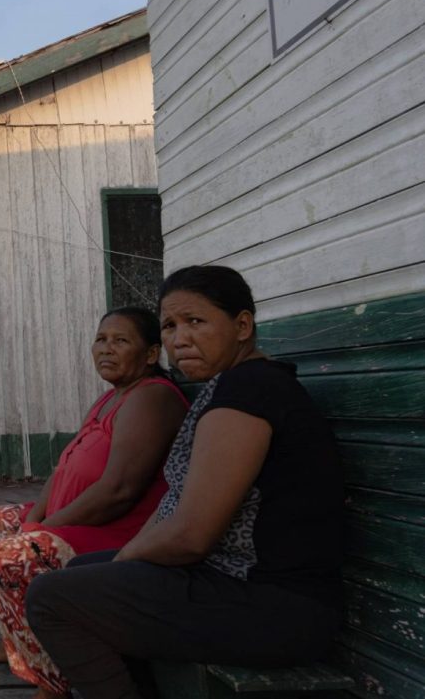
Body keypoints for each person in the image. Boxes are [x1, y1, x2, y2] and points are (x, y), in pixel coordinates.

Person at [26, 265, 345, 699]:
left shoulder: (248, 394)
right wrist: (123, 565)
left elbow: (192, 536)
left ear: (242, 325)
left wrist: (127, 559)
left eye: (196, 322)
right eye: (170, 326)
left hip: (274, 604)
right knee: (84, 574)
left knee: (52, 597)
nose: (179, 339)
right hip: (241, 588)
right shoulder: (232, 386)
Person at [0, 307, 188, 698]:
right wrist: (35, 519)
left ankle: (53, 681)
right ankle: (19, 644)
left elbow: (118, 492)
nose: (106, 349)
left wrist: (44, 528)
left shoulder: (152, 398)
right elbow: (63, 468)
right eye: (100, 339)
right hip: (76, 519)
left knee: (5, 557)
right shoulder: (110, 398)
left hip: (116, 533)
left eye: (120, 341)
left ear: (151, 353)